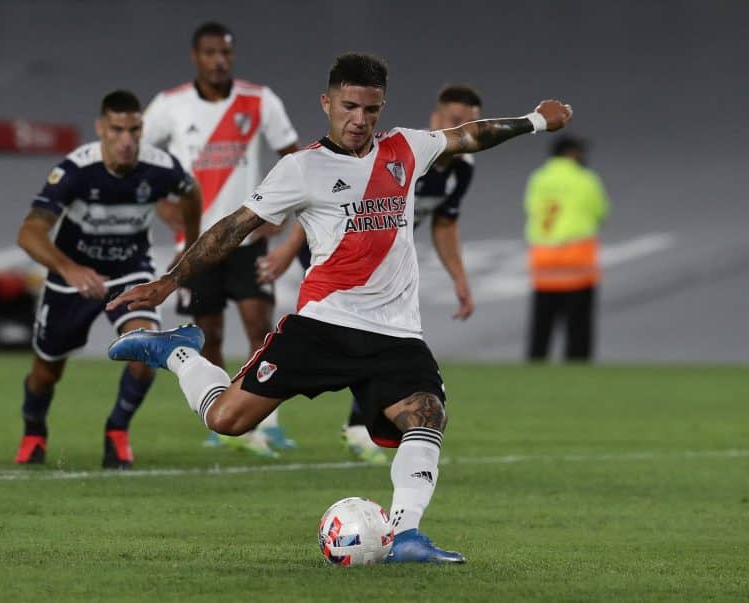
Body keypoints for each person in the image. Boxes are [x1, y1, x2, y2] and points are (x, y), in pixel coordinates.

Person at [107, 53, 572, 562]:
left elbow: (471, 135)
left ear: (382, 108)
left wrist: (534, 121)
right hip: (323, 325)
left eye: (370, 110)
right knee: (227, 420)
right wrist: (171, 281)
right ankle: (178, 353)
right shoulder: (302, 168)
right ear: (328, 103)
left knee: (426, 414)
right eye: (349, 107)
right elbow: (233, 228)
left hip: (395, 332)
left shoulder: (407, 149)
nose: (359, 120)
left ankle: (407, 536)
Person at [257, 84, 483, 464]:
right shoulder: (405, 157)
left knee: (382, 338)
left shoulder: (461, 169)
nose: (461, 127)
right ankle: (278, 417)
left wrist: (459, 277)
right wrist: (286, 249)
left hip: (385, 268)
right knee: (359, 339)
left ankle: (358, 425)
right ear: (436, 121)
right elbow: (328, 204)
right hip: (335, 257)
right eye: (453, 120)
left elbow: (445, 225)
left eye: (468, 122)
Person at [14, 90, 201, 468]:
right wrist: (70, 268)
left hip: (130, 270)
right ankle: (34, 430)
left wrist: (189, 247)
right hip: (73, 275)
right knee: (46, 372)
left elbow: (191, 191)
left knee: (145, 353)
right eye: (117, 130)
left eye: (134, 129)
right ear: (101, 129)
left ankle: (117, 430)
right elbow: (29, 233)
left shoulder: (161, 166)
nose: (127, 140)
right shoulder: (75, 171)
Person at [143, 21, 299, 457]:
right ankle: (218, 416)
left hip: (246, 241)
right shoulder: (170, 105)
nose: (219, 61)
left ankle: (268, 423)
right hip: (195, 245)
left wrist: (281, 213)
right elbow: (137, 151)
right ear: (196, 57)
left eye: (225, 53)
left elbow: (297, 158)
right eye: (210, 53)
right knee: (208, 334)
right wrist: (159, 202)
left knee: (261, 330)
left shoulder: (259, 100)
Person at [524, 135, 609, 361]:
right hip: (576, 262)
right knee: (578, 329)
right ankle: (577, 374)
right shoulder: (585, 179)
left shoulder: (539, 179)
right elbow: (600, 212)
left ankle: (535, 369)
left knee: (541, 328)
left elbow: (531, 208)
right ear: (571, 154)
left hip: (543, 262)